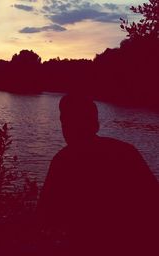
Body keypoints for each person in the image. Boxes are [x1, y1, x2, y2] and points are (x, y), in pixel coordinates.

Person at [38, 94, 159, 255]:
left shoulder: (63, 161)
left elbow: (45, 216)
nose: (64, 127)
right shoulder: (125, 152)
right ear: (96, 124)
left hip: (86, 246)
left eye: (65, 121)